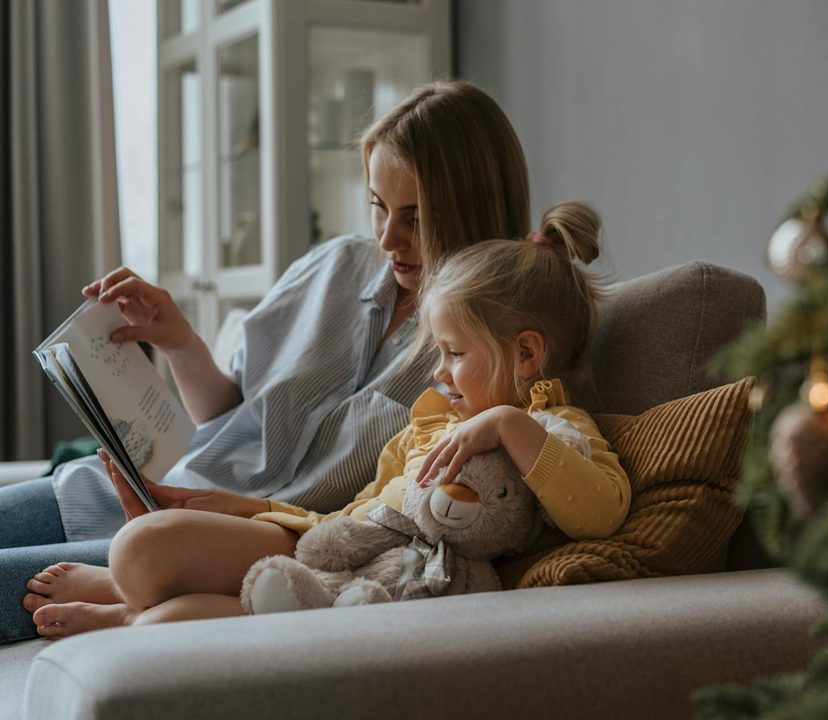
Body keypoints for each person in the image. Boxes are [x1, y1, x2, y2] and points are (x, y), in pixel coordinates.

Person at [1, 80, 532, 644]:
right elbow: (233, 412)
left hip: (214, 542)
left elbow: (406, 514)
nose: (388, 239)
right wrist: (180, 342)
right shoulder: (335, 266)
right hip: (142, 484)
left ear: (474, 212)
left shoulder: (483, 350)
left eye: (416, 219)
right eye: (378, 206)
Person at [31, 203, 630, 635]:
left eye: (453, 354)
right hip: (331, 554)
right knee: (139, 547)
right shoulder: (426, 426)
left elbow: (601, 511)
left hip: (380, 589)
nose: (440, 373)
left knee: (160, 623)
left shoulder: (557, 430)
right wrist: (252, 509)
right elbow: (352, 516)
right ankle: (129, 587)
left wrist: (509, 424)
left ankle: (128, 607)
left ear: (526, 354)